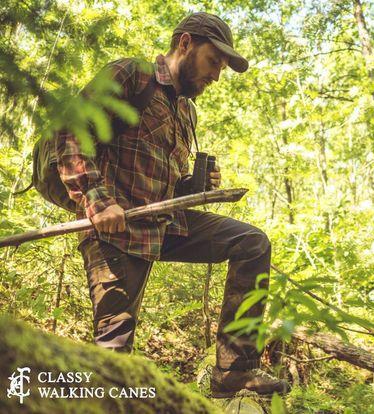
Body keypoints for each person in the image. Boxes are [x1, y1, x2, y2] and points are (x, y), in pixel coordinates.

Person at [56, 11, 289, 398]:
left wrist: (194, 187)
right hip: (116, 231)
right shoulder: (132, 75)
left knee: (251, 243)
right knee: (115, 349)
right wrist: (97, 201)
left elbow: (166, 182)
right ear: (185, 44)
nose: (216, 76)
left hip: (166, 225)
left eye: (221, 68)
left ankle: (233, 371)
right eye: (213, 61)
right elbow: (71, 132)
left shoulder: (186, 110)